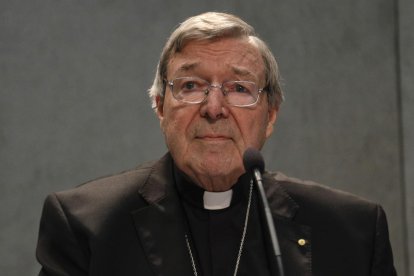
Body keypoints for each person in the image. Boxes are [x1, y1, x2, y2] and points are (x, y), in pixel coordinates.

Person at [36, 12, 396, 276]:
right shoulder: (87, 226)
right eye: (190, 86)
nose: (213, 109)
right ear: (161, 107)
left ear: (270, 115)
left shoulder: (353, 232)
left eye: (239, 89)